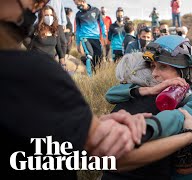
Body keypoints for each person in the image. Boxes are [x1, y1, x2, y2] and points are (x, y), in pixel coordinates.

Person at [0, 0, 149, 178]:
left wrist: (83, 120)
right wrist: (186, 133)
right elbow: (113, 156)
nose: (37, 7)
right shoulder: (34, 72)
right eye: (35, 1)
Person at [104, 36, 192, 179]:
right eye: (152, 66)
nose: (154, 73)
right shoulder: (151, 93)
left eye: (163, 67)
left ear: (184, 70)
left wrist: (147, 128)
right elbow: (111, 94)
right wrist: (147, 90)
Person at [74, 0, 106, 73]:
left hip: (96, 37)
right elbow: (78, 30)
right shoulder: (78, 15)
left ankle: (87, 64)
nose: (77, 7)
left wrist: (104, 36)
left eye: (78, 4)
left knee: (99, 56)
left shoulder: (96, 10)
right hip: (85, 37)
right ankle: (90, 76)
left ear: (83, 1)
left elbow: (102, 24)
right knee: (89, 55)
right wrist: (78, 44)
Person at [47, 0, 67, 67]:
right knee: (53, 41)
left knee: (63, 42)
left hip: (58, 23)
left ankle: (61, 59)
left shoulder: (59, 1)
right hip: (48, 22)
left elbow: (62, 11)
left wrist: (64, 22)